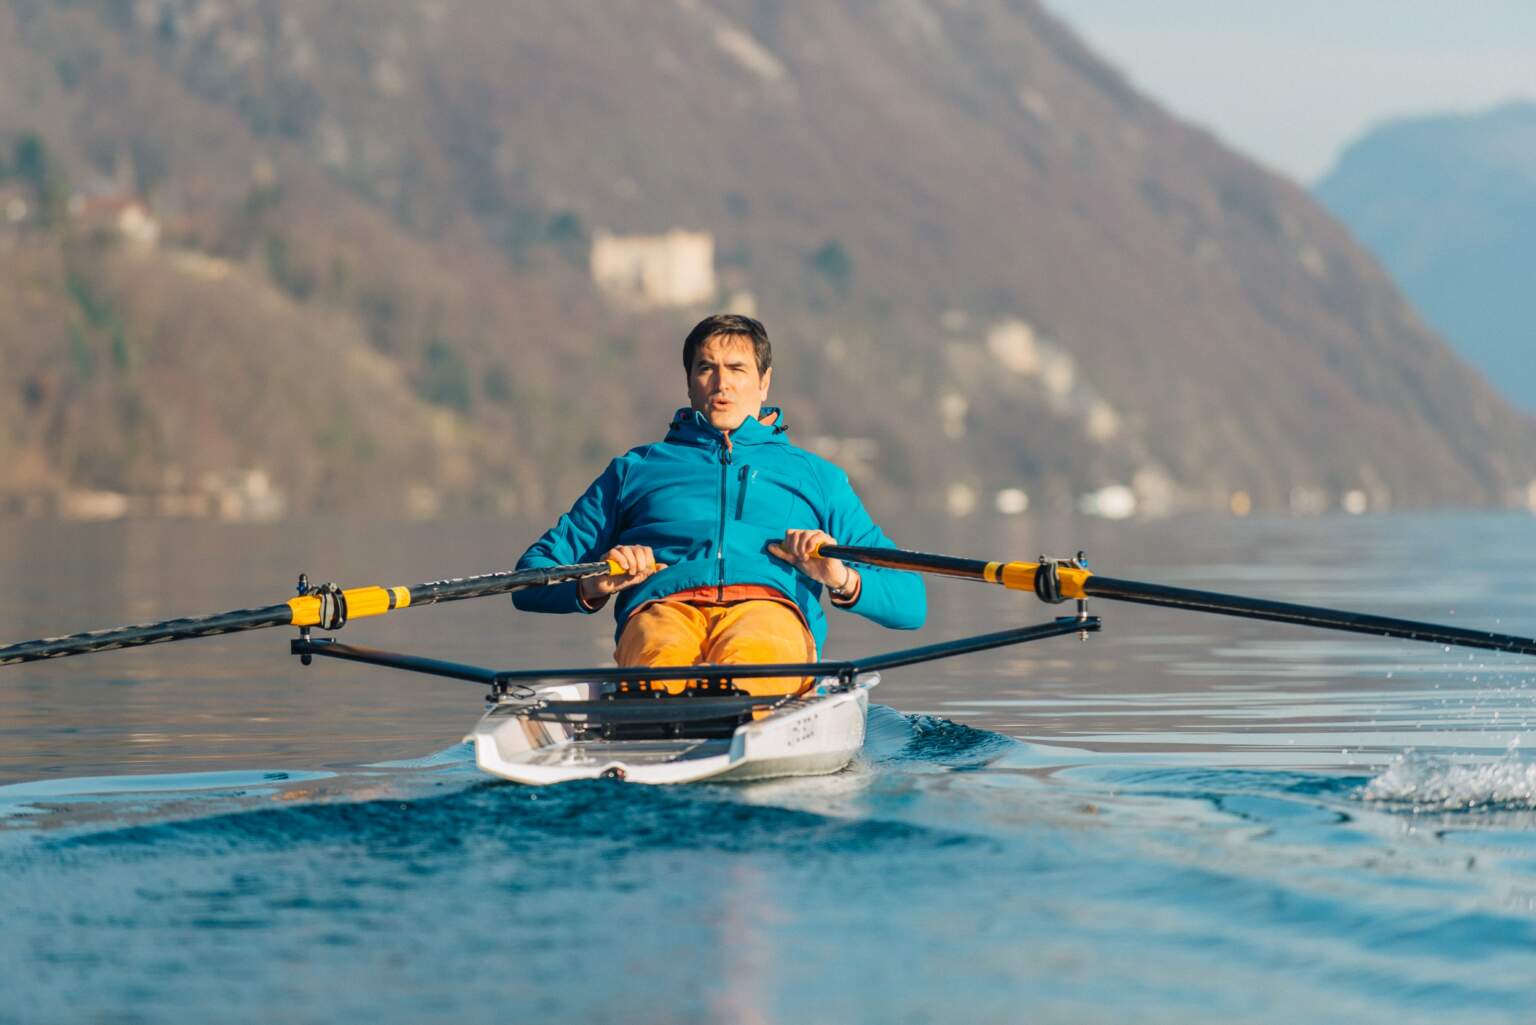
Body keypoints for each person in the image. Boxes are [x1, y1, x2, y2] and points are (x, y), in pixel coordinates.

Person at [512, 314, 925, 694]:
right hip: (662, 609)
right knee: (662, 659)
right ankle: (662, 715)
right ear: (689, 383)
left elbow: (911, 601)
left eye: (737, 369)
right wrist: (594, 583)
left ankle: (724, 714)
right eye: (706, 368)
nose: (720, 383)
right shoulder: (634, 471)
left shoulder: (818, 478)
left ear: (764, 382)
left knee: (749, 660)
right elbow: (529, 580)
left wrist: (841, 579)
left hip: (769, 609)